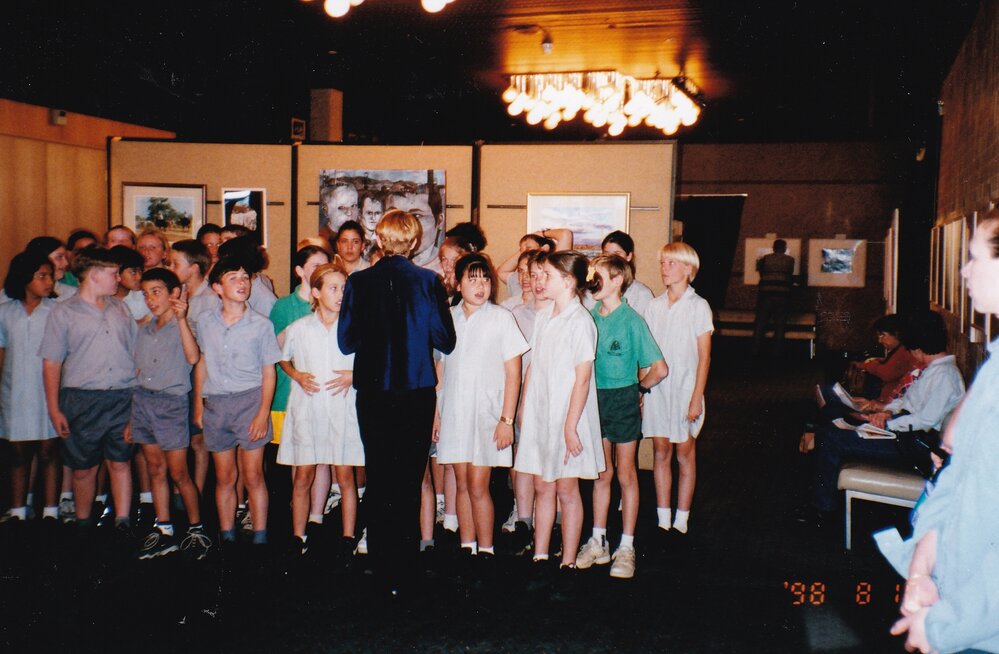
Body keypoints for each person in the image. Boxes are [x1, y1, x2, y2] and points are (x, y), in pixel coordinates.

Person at [883, 216, 999, 654]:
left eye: (975, 257)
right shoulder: (993, 367)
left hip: (980, 624)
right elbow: (952, 476)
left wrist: (944, 626)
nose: (965, 271)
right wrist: (922, 567)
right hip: (950, 589)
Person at [337, 209, 456, 594]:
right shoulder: (428, 282)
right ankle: (404, 568)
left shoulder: (359, 282)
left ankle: (378, 562)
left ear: (379, 239)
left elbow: (346, 342)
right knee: (408, 479)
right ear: (415, 241)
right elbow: (446, 340)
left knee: (379, 475)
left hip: (372, 393)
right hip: (415, 393)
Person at [805, 310, 965, 522]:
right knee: (833, 418)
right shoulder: (935, 370)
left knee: (831, 437)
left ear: (918, 347)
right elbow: (909, 401)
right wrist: (887, 412)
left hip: (915, 446)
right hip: (907, 436)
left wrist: (888, 423)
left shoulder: (945, 376)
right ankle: (818, 446)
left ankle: (822, 509)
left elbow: (925, 422)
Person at [575, 254, 667, 579]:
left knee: (626, 474)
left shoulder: (632, 321)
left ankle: (626, 546)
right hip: (594, 401)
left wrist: (639, 390)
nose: (593, 281)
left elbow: (659, 369)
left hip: (623, 400)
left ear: (617, 280)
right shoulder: (588, 318)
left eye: (599, 275)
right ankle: (598, 539)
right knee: (602, 473)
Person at [435, 253, 528, 565]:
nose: (480, 285)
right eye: (472, 279)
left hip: (488, 414)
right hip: (454, 413)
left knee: (478, 485)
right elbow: (440, 371)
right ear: (458, 284)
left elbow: (514, 373)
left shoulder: (502, 318)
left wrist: (506, 419)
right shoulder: (448, 318)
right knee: (460, 483)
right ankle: (467, 545)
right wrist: (435, 413)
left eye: (485, 278)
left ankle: (486, 549)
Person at [514, 251, 604, 573]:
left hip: (569, 415)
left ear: (568, 281)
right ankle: (540, 554)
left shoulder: (581, 321)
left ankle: (567, 560)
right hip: (541, 411)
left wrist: (569, 426)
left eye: (546, 276)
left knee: (567, 488)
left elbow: (582, 379)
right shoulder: (543, 316)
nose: (539, 281)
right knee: (542, 485)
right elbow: (534, 367)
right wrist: (524, 406)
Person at [39, 245, 137, 532]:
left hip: (122, 396)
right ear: (94, 275)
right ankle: (83, 524)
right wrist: (54, 408)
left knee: (120, 461)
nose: (118, 279)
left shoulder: (121, 309)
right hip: (81, 399)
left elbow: (135, 356)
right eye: (113, 273)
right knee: (83, 467)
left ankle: (122, 521)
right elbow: (51, 364)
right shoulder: (63, 313)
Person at [194, 256, 282, 548]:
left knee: (254, 475)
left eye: (245, 277)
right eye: (233, 278)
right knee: (224, 476)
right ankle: (227, 534)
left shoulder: (261, 325)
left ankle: (260, 536)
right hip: (217, 405)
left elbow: (269, 373)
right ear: (218, 287)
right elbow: (203, 362)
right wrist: (198, 403)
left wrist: (261, 414)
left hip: (250, 402)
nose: (242, 283)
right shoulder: (206, 322)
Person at [277, 262, 362, 559]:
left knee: (346, 475)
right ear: (316, 292)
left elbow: (371, 361)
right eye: (333, 288)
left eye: (344, 288)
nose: (340, 294)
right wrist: (297, 375)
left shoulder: (355, 327)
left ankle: (348, 536)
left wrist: (354, 375)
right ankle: (298, 535)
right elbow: (283, 359)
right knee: (303, 476)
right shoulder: (300, 328)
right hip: (309, 408)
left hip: (342, 407)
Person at [128, 268, 210, 561]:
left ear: (174, 294)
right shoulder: (145, 328)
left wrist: (182, 319)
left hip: (171, 404)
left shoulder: (182, 325)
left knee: (179, 472)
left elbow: (192, 357)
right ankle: (163, 529)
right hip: (143, 403)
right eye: (146, 293)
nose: (150, 299)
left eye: (157, 292)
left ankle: (196, 529)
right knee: (155, 470)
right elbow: (137, 370)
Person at [643, 242, 713, 535]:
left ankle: (682, 517)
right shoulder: (654, 305)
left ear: (688, 269)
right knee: (661, 451)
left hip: (686, 389)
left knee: (685, 453)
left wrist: (696, 398)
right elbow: (645, 352)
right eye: (663, 263)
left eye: (671, 263)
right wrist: (643, 391)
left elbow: (704, 356)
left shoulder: (698, 306)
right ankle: (662, 515)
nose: (664, 269)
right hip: (658, 389)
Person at [268, 245, 332, 524]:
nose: (321, 269)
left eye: (326, 264)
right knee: (297, 462)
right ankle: (298, 520)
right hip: (288, 395)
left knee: (323, 459)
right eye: (315, 264)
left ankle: (315, 518)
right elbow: (274, 350)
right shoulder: (283, 306)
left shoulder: (335, 302)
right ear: (299, 271)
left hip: (325, 395)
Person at [0, 251, 59, 523]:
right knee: (18, 452)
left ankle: (50, 510)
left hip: (48, 390)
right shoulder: (6, 311)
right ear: (25, 279)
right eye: (42, 276)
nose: (49, 282)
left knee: (48, 451)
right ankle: (18, 511)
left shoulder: (56, 311)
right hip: (16, 390)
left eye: (50, 276)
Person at [168, 239, 214, 492]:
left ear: (194, 268)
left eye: (176, 263)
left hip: (200, 374)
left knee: (199, 439)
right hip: (178, 373)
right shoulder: (179, 293)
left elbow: (207, 350)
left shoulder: (209, 299)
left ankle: (196, 490)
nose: (171, 267)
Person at [850, 314, 917, 402]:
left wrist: (865, 365)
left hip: (892, 404)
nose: (880, 340)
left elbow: (886, 373)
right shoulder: (899, 349)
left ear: (896, 334)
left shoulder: (904, 351)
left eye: (882, 335)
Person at [752, 238, 795, 357]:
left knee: (760, 324)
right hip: (783, 296)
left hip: (766, 295)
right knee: (780, 325)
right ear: (784, 248)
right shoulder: (790, 260)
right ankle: (777, 354)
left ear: (773, 247)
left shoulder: (765, 259)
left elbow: (760, 272)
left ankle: (755, 352)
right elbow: (790, 274)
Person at [599, 231, 655, 317]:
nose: (610, 259)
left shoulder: (641, 294)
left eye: (616, 254)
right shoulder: (595, 290)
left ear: (629, 256)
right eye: (606, 254)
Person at [109, 245, 151, 322]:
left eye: (141, 271)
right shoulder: (101, 299)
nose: (139, 277)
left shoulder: (146, 297)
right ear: (116, 272)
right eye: (133, 272)